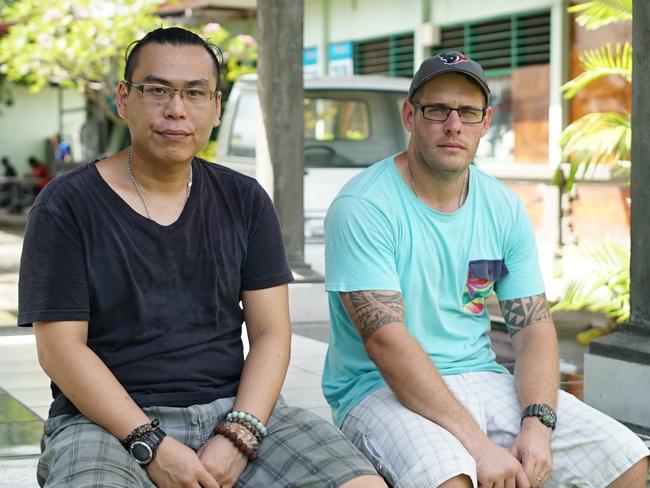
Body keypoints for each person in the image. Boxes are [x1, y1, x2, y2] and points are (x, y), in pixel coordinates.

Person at [18, 27, 386, 488]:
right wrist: (149, 444)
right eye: (157, 91)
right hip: (104, 421)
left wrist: (239, 432)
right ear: (123, 98)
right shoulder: (66, 205)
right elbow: (61, 350)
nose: (176, 109)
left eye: (194, 93)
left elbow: (271, 333)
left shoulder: (245, 199)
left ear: (215, 108)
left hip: (229, 408)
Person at [323, 51, 649, 488]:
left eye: (468, 112)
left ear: (485, 121)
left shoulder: (502, 206)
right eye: (437, 109)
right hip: (378, 389)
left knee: (625, 463)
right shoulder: (363, 206)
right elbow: (386, 342)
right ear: (410, 115)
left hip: (482, 376)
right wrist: (480, 447)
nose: (453, 124)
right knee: (455, 479)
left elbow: (533, 328)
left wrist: (537, 422)